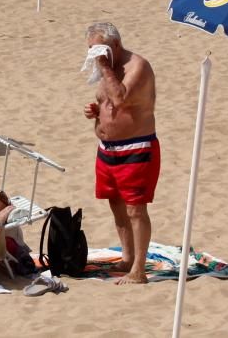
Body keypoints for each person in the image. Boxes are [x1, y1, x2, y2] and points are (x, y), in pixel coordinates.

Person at [83, 22, 157, 285]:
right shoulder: (108, 70)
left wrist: (103, 66)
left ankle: (139, 269)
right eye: (91, 50)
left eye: (99, 49)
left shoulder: (137, 66)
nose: (95, 55)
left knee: (136, 209)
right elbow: (108, 102)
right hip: (107, 150)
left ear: (115, 44)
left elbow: (121, 98)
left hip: (136, 148)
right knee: (116, 204)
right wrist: (95, 112)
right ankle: (127, 257)